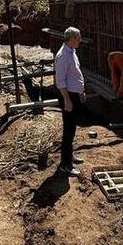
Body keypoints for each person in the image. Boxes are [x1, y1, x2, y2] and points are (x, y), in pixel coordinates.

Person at [54, 26, 86, 176]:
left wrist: (81, 91)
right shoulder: (63, 56)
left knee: (72, 128)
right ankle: (65, 165)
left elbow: (75, 75)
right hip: (68, 96)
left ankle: (69, 156)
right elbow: (60, 81)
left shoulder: (71, 52)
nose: (80, 40)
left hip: (74, 94)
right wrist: (67, 99)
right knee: (68, 130)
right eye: (78, 38)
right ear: (71, 39)